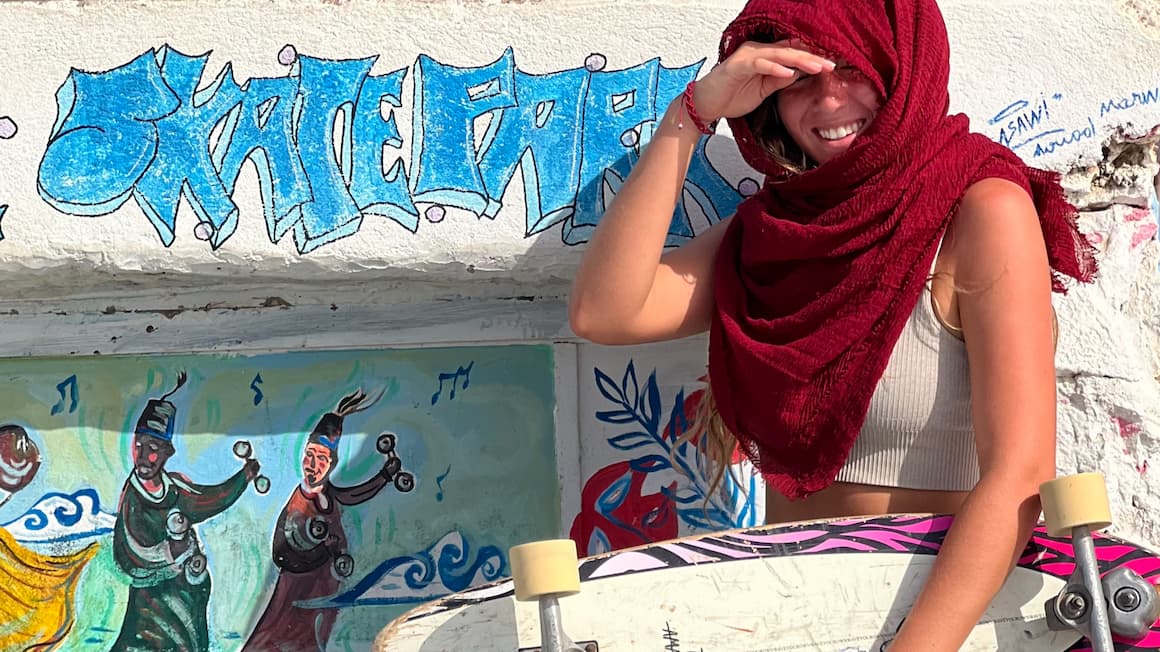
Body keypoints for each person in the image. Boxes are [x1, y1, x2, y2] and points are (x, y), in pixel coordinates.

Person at [568, 0, 1098, 649]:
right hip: (795, 615)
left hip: (946, 625)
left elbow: (1018, 477)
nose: (826, 101)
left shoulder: (982, 213)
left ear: (902, 65)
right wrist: (692, 115)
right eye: (798, 76)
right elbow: (606, 311)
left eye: (851, 67)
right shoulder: (778, 230)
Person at [243, 388, 408, 652]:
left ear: (332, 464)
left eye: (320, 459)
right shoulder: (299, 504)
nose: (312, 464)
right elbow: (281, 554)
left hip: (321, 596)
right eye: (309, 456)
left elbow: (352, 495)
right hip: (296, 599)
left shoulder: (327, 495)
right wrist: (323, 551)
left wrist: (385, 477)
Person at [110, 372, 259, 651]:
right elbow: (129, 550)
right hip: (150, 605)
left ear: (167, 452)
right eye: (139, 446)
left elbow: (210, 499)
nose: (143, 457)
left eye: (153, 449)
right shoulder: (133, 499)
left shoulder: (175, 488)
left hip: (185, 597)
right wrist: (171, 551)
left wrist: (244, 477)